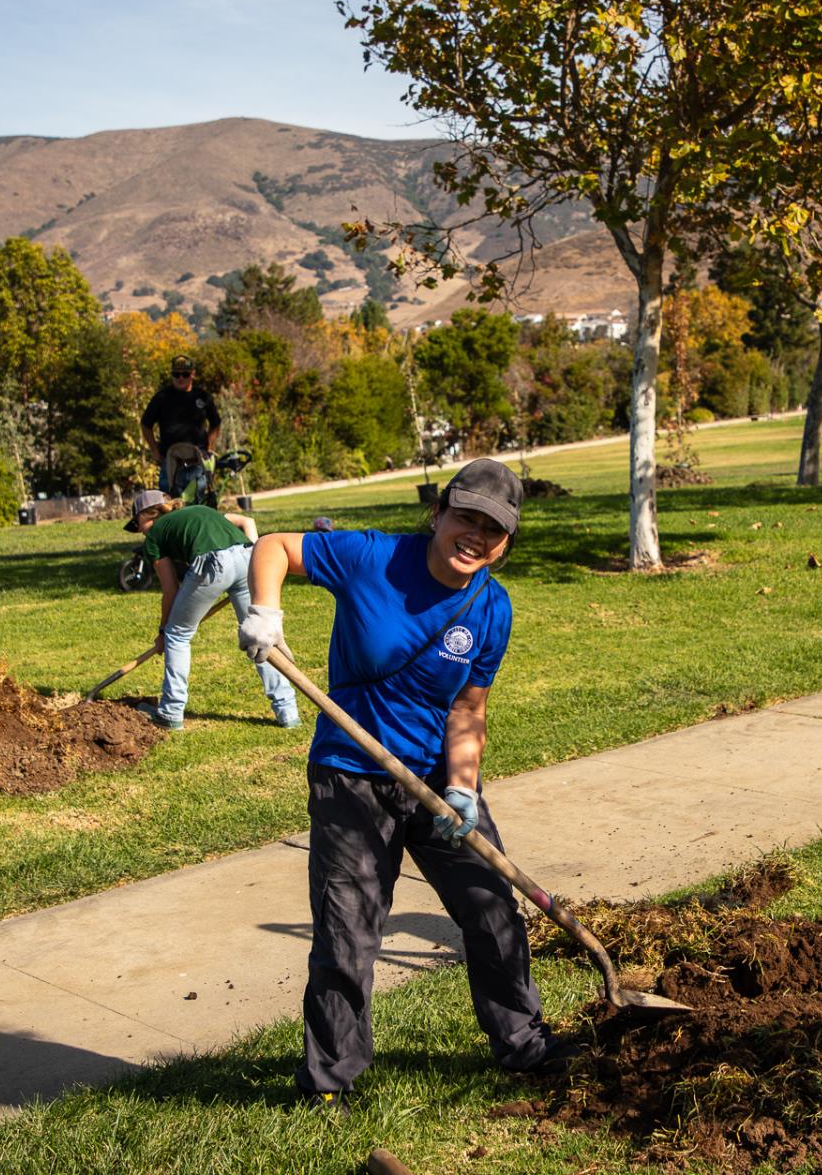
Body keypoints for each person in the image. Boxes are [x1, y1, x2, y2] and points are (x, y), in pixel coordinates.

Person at [236, 458, 574, 1109]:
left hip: (434, 780)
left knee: (492, 904)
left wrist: (464, 789)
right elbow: (274, 546)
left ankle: (523, 1039)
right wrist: (265, 613)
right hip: (351, 777)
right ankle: (329, 1080)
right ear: (439, 513)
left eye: (493, 529)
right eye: (466, 517)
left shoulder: (491, 607)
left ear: (506, 543)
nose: (475, 535)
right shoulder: (371, 557)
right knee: (348, 928)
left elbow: (468, 708)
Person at [125, 489, 299, 730]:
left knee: (178, 635)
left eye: (137, 523)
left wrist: (164, 630)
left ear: (148, 514)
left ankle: (171, 712)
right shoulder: (198, 512)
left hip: (212, 564)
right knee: (260, 636)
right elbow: (244, 528)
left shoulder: (154, 535)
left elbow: (170, 589)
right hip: (247, 558)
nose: (140, 530)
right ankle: (287, 711)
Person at [141, 355, 222, 498]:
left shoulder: (203, 397)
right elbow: (146, 424)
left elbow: (216, 424)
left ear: (192, 374)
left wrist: (209, 448)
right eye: (176, 374)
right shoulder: (162, 397)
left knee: (198, 505)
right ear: (171, 375)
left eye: (185, 374)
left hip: (197, 463)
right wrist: (154, 449)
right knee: (169, 506)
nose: (180, 378)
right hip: (170, 463)